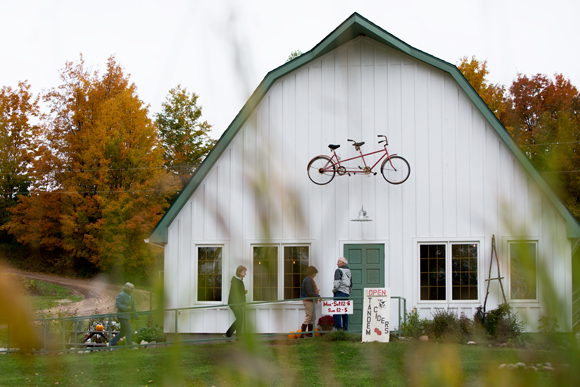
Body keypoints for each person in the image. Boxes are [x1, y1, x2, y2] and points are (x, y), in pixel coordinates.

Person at [110, 282, 138, 346]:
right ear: (127, 288)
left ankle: (111, 343)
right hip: (122, 316)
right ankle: (130, 346)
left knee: (122, 332)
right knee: (129, 331)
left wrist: (136, 316)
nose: (132, 290)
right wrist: (125, 308)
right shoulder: (121, 295)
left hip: (126, 316)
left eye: (133, 289)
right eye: (131, 289)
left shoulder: (130, 296)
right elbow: (117, 305)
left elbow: (133, 306)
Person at [224, 265, 248, 338]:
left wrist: (243, 292)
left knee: (240, 319)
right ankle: (228, 334)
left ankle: (237, 337)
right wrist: (236, 305)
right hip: (235, 304)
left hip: (238, 304)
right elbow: (234, 294)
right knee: (240, 319)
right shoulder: (236, 281)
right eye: (244, 272)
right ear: (240, 272)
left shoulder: (239, 281)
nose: (245, 273)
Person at [332, 257, 352, 331]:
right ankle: (345, 329)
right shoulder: (349, 271)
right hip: (346, 294)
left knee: (337, 311)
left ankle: (339, 330)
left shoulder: (338, 270)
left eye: (338, 262)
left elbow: (337, 283)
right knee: (345, 312)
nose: (337, 263)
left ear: (342, 263)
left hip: (339, 293)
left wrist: (334, 290)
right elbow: (351, 284)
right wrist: (348, 291)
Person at [300, 266, 320, 338]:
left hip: (310, 300)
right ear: (312, 273)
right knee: (309, 317)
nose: (315, 275)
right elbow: (309, 292)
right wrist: (318, 296)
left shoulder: (309, 279)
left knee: (312, 317)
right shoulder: (308, 280)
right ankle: (302, 334)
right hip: (308, 300)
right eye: (315, 273)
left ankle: (310, 333)